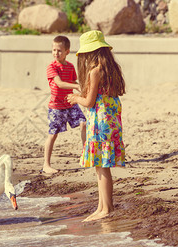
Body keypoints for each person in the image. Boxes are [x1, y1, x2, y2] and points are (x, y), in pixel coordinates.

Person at [67, 30, 126, 222]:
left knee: (101, 166)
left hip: (100, 122)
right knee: (102, 165)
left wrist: (76, 98)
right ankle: (101, 206)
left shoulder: (95, 71)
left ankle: (107, 208)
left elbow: (90, 102)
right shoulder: (111, 68)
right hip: (111, 120)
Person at [43, 35, 86, 174]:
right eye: (54, 50)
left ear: (67, 51)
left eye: (59, 50)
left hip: (70, 102)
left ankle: (86, 155)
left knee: (84, 123)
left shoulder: (71, 67)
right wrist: (77, 86)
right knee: (53, 134)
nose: (56, 53)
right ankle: (46, 165)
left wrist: (81, 88)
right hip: (56, 107)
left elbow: (75, 81)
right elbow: (60, 83)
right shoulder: (52, 67)